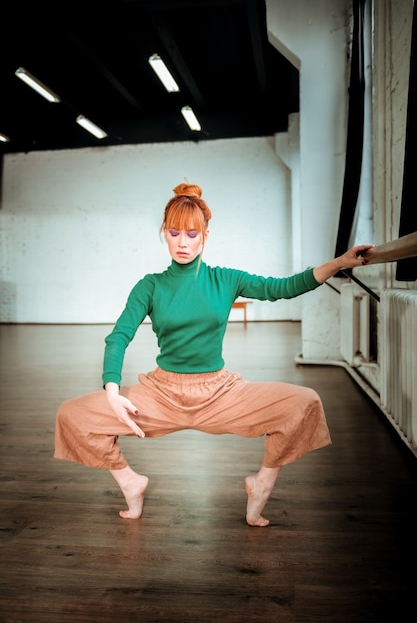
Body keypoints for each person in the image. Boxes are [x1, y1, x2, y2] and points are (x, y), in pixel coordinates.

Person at [54, 181, 373, 527]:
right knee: (72, 415)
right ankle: (131, 482)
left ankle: (261, 483)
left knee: (305, 402)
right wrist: (112, 391)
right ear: (165, 233)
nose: (182, 242)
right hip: (161, 394)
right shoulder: (150, 285)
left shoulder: (225, 279)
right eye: (174, 233)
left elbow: (283, 287)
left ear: (205, 235)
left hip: (220, 393)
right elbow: (118, 338)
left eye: (192, 234)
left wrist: (339, 263)